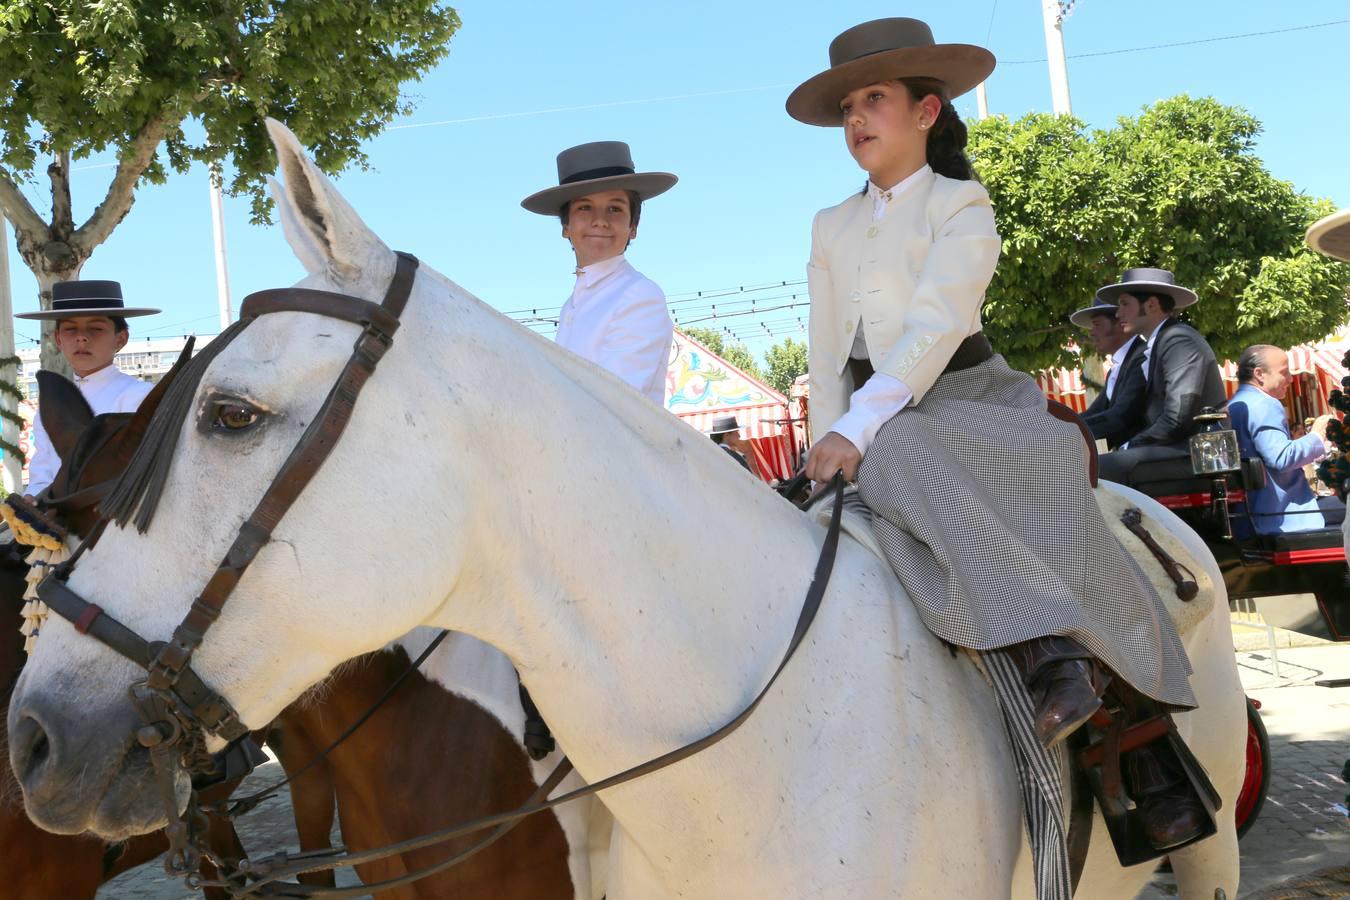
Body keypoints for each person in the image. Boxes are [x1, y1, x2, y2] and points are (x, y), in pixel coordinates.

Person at [787, 17, 1205, 875]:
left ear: (927, 109)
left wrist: (859, 430)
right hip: (872, 406)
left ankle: (1057, 652)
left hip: (967, 395)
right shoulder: (830, 224)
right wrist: (821, 443)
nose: (858, 117)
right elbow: (826, 350)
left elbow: (935, 332)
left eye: (876, 99)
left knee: (896, 454)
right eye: (849, 107)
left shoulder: (962, 205)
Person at [522, 141, 675, 405]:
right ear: (566, 227)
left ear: (633, 227)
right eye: (585, 207)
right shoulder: (570, 306)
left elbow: (612, 402)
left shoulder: (640, 295)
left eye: (615, 209)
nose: (600, 220)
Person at [16, 280, 159, 499]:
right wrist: (32, 499)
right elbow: (42, 473)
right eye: (70, 329)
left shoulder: (141, 398)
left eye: (96, 328)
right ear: (58, 339)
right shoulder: (52, 404)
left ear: (121, 339)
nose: (81, 337)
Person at [1096, 268, 1227, 484]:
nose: (1118, 313)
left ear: (1152, 305)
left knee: (1097, 469)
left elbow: (1176, 417)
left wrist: (1131, 445)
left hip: (1198, 453)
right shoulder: (1160, 343)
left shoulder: (1179, 340)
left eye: (1125, 304)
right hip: (1181, 449)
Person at [1227, 345, 1329, 534]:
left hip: (1251, 518)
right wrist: (1317, 435)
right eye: (1284, 373)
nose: (1290, 379)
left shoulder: (1234, 405)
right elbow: (1281, 458)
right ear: (1259, 374)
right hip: (1283, 518)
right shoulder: (1265, 404)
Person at [1071, 298, 1146, 449]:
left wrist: (1066, 430)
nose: (1091, 333)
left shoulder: (1142, 357)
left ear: (1120, 324)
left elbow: (1120, 416)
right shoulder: (1116, 368)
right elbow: (1095, 412)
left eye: (1097, 324)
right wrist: (1056, 425)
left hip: (1145, 452)